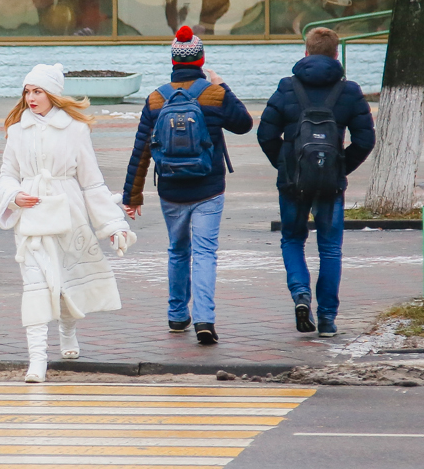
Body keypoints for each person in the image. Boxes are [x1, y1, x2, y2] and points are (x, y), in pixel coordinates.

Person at [0, 64, 135, 383]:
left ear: (52, 94)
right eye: (27, 91)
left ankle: (68, 330)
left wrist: (114, 225)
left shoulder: (75, 129)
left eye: (38, 91)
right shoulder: (17, 129)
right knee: (35, 284)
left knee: (66, 281)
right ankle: (37, 360)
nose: (31, 98)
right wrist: (14, 195)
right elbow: (7, 174)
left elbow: (92, 182)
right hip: (31, 218)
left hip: (69, 213)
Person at [122, 26, 252, 345]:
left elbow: (141, 149)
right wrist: (223, 84)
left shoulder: (156, 98)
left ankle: (177, 315)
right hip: (209, 187)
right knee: (205, 252)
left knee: (178, 250)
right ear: (201, 59)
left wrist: (132, 195)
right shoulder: (213, 93)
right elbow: (244, 124)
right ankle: (205, 319)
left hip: (171, 188)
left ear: (173, 60)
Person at [256, 27, 375, 337]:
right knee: (330, 249)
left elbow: (266, 134)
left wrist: (286, 167)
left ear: (305, 53)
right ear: (336, 55)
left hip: (293, 183)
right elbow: (365, 139)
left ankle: (300, 295)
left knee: (293, 239)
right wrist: (340, 167)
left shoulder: (286, 87)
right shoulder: (349, 91)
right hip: (331, 184)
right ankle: (327, 320)